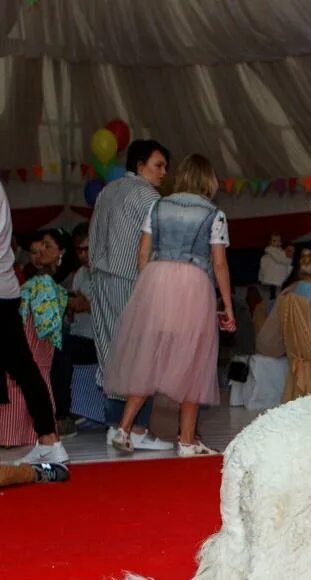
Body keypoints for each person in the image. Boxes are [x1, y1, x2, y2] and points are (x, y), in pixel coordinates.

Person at [104, 154, 236, 457]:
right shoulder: (214, 214)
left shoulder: (157, 205)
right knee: (194, 361)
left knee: (150, 356)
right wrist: (226, 305)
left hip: (157, 280)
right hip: (193, 284)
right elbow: (219, 263)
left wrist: (148, 287)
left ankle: (123, 429)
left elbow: (142, 254)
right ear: (208, 179)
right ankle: (187, 440)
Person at [89, 138, 173, 452]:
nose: (163, 172)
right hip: (132, 279)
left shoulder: (107, 191)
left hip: (100, 278)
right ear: (139, 165)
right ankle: (134, 427)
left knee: (110, 350)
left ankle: (116, 424)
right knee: (139, 352)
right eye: (158, 165)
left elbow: (94, 235)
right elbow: (155, 245)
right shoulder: (147, 195)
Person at [0, 182, 69, 464]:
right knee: (24, 367)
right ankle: (49, 440)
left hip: (2, 292)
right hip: (5, 292)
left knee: (23, 367)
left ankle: (50, 440)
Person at [51, 222, 97, 437]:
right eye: (79, 250)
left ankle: (63, 415)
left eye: (87, 249)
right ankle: (57, 412)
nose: (83, 255)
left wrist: (86, 305)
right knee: (53, 341)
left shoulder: (108, 274)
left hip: (101, 341)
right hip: (80, 335)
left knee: (62, 346)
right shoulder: (80, 274)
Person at [258, 233, 293, 301]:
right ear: (270, 242)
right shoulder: (271, 251)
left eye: (279, 240)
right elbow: (280, 260)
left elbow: (285, 262)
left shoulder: (280, 251)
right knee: (274, 294)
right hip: (272, 279)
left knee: (277, 293)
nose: (277, 242)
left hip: (277, 279)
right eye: (274, 241)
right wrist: (288, 259)